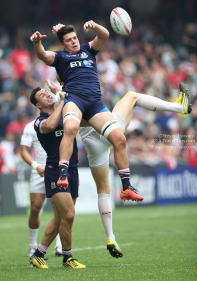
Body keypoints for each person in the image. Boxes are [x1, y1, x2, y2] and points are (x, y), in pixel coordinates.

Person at [48, 78, 192, 257]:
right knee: (132, 96)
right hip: (108, 131)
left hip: (93, 144)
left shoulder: (61, 98)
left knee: (102, 191)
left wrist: (58, 95)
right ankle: (180, 108)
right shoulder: (75, 88)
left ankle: (110, 238)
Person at [30, 21, 144, 202]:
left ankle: (126, 187)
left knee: (119, 139)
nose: (74, 42)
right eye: (69, 40)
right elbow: (42, 55)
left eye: (75, 38)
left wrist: (95, 26)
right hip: (74, 100)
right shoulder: (59, 57)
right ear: (62, 44)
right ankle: (63, 174)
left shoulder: (88, 49)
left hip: (95, 104)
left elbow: (104, 35)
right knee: (70, 128)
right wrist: (37, 42)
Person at [29, 87, 85, 269]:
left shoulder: (64, 113)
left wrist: (64, 96)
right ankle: (67, 258)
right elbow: (51, 126)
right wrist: (61, 100)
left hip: (73, 168)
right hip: (55, 170)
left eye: (47, 92)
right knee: (68, 215)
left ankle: (38, 254)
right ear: (38, 105)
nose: (46, 94)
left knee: (61, 217)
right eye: (42, 95)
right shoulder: (39, 122)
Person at [20, 119, 62, 257]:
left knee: (59, 208)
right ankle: (33, 246)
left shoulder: (61, 122)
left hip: (57, 169)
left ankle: (59, 244)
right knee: (35, 207)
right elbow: (23, 151)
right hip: (39, 169)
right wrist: (35, 166)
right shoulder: (31, 126)